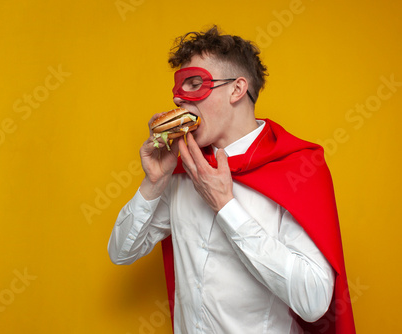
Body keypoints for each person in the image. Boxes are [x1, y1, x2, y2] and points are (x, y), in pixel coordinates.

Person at [108, 26, 355, 334]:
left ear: (237, 90)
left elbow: (314, 300)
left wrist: (226, 207)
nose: (179, 100)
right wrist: (154, 183)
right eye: (178, 91)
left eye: (195, 84)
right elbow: (121, 253)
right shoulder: (185, 170)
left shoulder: (297, 170)